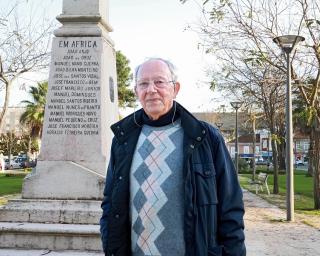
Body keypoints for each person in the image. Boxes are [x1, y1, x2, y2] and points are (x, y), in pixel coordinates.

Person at [100, 58, 246, 256]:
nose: (151, 89)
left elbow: (231, 207)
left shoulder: (205, 138)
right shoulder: (123, 140)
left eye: (159, 82)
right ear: (136, 92)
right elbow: (110, 202)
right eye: (143, 83)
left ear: (175, 88)